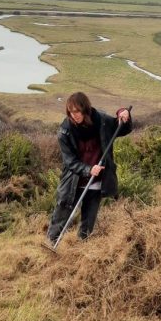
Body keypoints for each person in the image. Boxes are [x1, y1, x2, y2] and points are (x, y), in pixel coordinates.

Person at [46, 91, 132, 245]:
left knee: (87, 224)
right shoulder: (64, 131)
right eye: (71, 112)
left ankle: (81, 253)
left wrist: (122, 113)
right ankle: (50, 246)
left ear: (85, 109)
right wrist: (88, 169)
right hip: (73, 182)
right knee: (60, 217)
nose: (74, 116)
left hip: (97, 182)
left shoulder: (102, 121)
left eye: (77, 111)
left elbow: (123, 128)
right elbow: (69, 161)